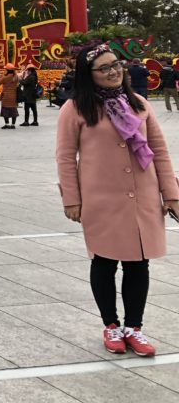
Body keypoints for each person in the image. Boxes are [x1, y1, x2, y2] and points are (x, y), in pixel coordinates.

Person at [56, 43, 179, 357]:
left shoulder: (138, 103)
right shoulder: (76, 108)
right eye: (104, 68)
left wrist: (172, 195)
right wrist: (72, 198)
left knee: (139, 263)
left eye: (116, 66)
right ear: (89, 74)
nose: (113, 72)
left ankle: (133, 328)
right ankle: (110, 325)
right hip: (101, 199)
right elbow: (66, 157)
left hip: (144, 196)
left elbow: (160, 153)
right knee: (105, 261)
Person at [0, 64, 20, 129]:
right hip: (14, 96)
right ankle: (13, 125)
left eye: (5, 69)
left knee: (5, 110)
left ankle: (6, 124)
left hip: (6, 96)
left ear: (7, 70)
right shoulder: (16, 77)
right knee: (13, 110)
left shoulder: (5, 77)